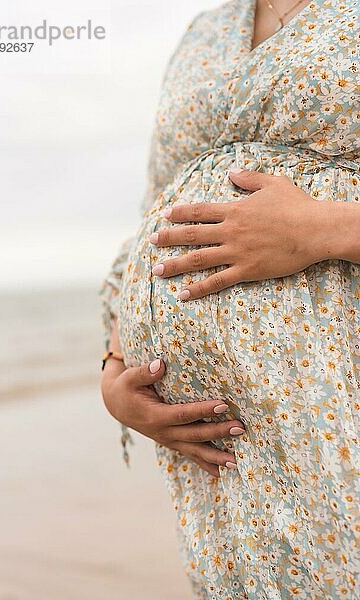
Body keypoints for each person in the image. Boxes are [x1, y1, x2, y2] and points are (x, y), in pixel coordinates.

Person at [101, 0, 360, 597]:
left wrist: (320, 229)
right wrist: (116, 371)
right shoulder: (204, 31)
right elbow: (155, 210)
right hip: (224, 464)